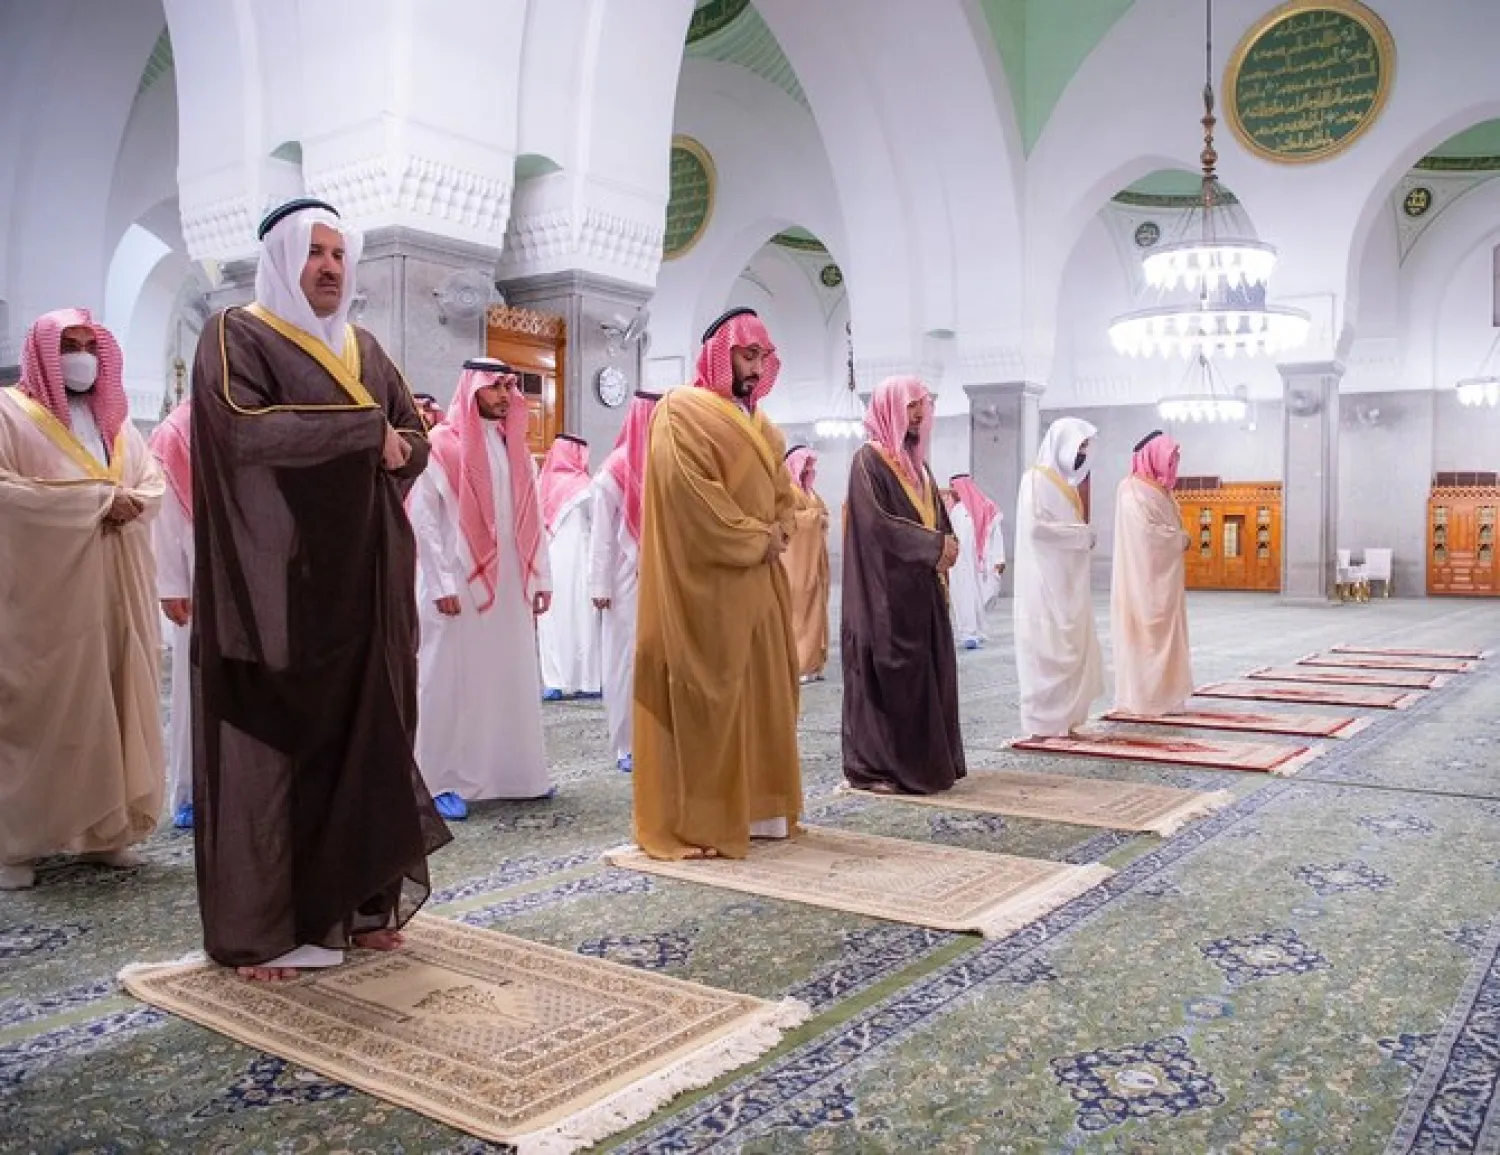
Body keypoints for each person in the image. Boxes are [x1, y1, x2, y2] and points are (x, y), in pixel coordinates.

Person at [191, 197, 450, 980]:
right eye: (315, 253)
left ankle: (362, 906)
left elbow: (416, 439)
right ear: (280, 259)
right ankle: (265, 930)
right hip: (283, 587)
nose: (331, 267)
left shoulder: (364, 350)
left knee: (371, 734)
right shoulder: (238, 336)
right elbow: (243, 428)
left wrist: (389, 442)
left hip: (369, 581)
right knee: (281, 749)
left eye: (340, 254)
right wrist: (363, 434)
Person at [0, 308, 165, 890]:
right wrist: (94, 501)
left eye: (89, 345)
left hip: (118, 589)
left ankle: (105, 831)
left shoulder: (116, 424)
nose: (80, 356)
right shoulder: (8, 414)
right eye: (68, 345)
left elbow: (151, 483)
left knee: (114, 703)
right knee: (44, 708)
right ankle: (16, 842)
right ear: (42, 352)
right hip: (45, 599)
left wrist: (129, 502)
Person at [632, 307, 801, 859]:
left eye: (761, 357)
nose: (754, 368)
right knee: (712, 698)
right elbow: (691, 497)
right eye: (746, 355)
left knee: (766, 696)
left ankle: (762, 811)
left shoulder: (765, 428)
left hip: (761, 585)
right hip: (707, 586)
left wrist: (779, 527)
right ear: (719, 353)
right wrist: (757, 537)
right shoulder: (681, 412)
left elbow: (784, 496)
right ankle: (706, 819)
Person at [411, 358, 554, 815]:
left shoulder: (513, 447)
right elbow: (423, 520)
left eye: (509, 388)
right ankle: (439, 779)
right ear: (472, 390)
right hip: (456, 580)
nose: (504, 396)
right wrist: (439, 582)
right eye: (495, 388)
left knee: (507, 673)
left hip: (511, 583)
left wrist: (541, 577)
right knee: (449, 680)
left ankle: (513, 771)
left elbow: (533, 517)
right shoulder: (442, 445)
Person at [840, 376, 965, 795]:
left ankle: (927, 763)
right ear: (889, 407)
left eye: (922, 405)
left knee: (927, 675)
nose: (918, 414)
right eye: (910, 405)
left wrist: (948, 541)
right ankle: (875, 769)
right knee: (888, 679)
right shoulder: (868, 462)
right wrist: (933, 545)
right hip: (883, 597)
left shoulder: (920, 468)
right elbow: (878, 526)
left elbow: (933, 517)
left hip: (922, 593)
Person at [1013, 416, 1104, 738]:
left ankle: (1068, 720)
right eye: (1077, 446)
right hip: (1043, 580)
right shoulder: (1035, 480)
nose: (1080, 454)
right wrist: (1080, 535)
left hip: (1070, 582)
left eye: (1084, 449)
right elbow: (1036, 529)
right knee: (1047, 645)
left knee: (1074, 645)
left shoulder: (1069, 487)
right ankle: (1043, 724)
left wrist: (1079, 537)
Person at [588, 390, 660, 773]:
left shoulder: (668, 463)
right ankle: (626, 744)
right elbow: (600, 536)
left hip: (662, 581)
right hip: (623, 582)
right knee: (624, 662)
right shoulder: (614, 471)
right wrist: (599, 585)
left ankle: (657, 737)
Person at [1111, 430, 1194, 715]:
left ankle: (1168, 696)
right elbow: (1145, 535)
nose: (1173, 466)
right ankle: (1145, 698)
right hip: (1142, 580)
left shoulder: (1161, 491)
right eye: (1169, 459)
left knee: (1167, 636)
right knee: (1145, 636)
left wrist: (1177, 538)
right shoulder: (1131, 490)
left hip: (1166, 581)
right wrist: (1179, 539)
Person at [149, 399, 196, 829]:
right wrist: (172, 585)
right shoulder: (176, 432)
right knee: (194, 683)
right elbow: (165, 520)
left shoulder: (251, 416)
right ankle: (190, 790)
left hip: (253, 572)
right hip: (197, 577)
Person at [536, 434, 601, 700]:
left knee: (556, 621)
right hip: (579, 561)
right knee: (580, 620)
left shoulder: (542, 484)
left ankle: (555, 681)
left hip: (552, 562)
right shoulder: (586, 487)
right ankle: (586, 681)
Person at [780, 446, 831, 684]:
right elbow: (788, 519)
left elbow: (821, 514)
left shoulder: (811, 493)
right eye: (805, 464)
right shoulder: (788, 492)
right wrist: (814, 518)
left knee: (817, 609)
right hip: (796, 563)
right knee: (798, 613)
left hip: (815, 561)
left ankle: (814, 662)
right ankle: (799, 664)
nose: (809, 469)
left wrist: (819, 517)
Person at [948, 473, 1007, 650]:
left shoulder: (986, 508)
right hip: (959, 564)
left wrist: (999, 559)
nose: (952, 492)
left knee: (982, 595)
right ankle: (968, 633)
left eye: (954, 488)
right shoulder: (956, 511)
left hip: (981, 563)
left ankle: (977, 631)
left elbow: (995, 535)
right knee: (962, 596)